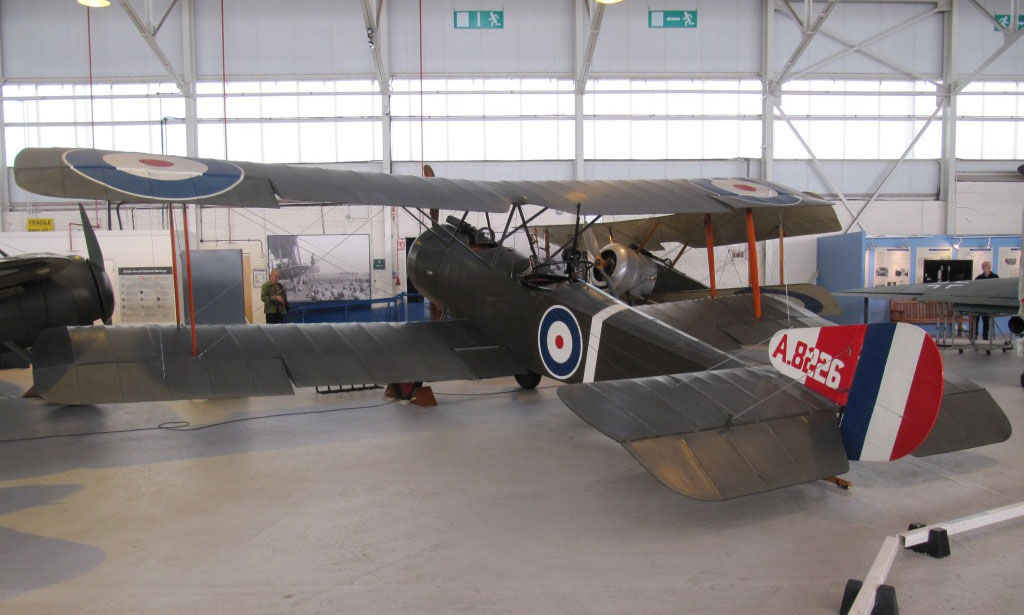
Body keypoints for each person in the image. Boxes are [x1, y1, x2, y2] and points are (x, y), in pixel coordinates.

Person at [973, 261, 999, 341]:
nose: (984, 267)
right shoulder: (978, 278)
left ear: (990, 267)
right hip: (979, 302)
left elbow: (996, 289)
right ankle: (974, 337)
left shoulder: (995, 277)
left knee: (986, 321)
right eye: (983, 265)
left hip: (988, 303)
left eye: (986, 265)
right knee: (975, 320)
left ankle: (985, 338)